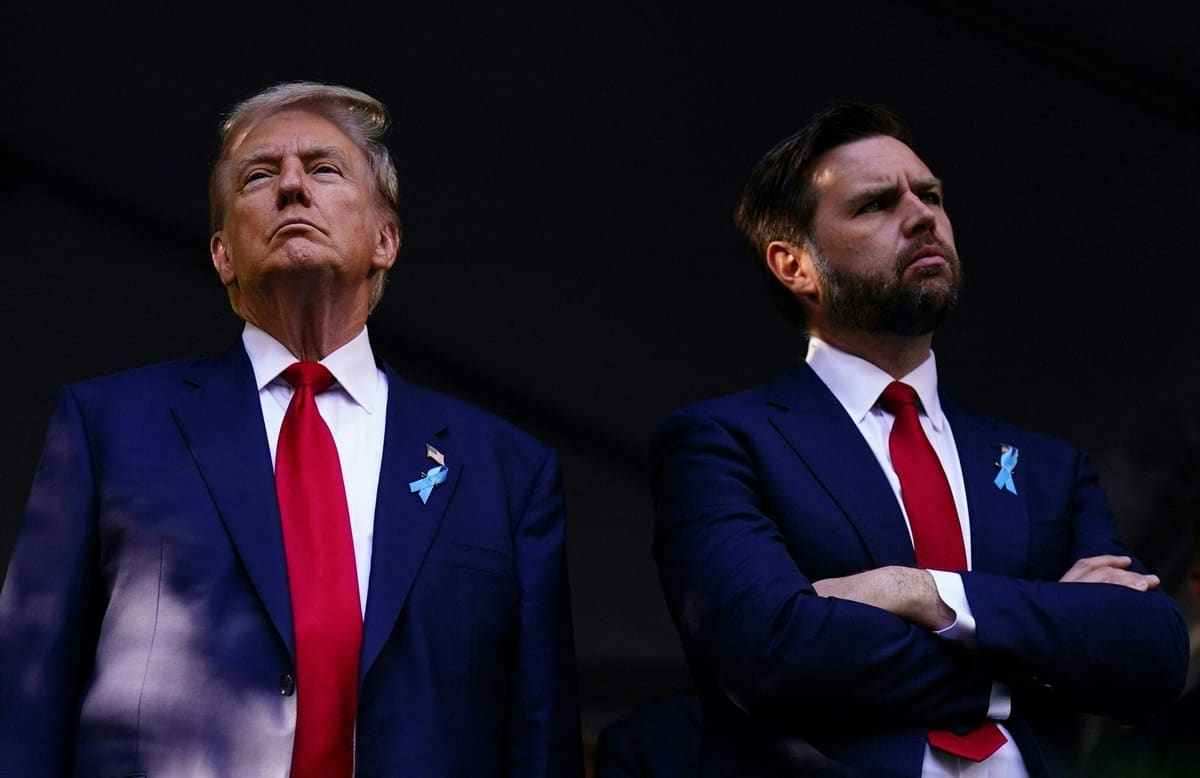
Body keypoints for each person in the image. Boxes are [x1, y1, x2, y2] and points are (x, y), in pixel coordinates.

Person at [0, 82, 582, 777]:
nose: (292, 187)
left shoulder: (506, 469)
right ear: (222, 254)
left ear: (386, 240)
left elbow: (540, 733)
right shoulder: (108, 428)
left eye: (324, 169)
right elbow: (24, 701)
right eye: (259, 176)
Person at [649, 101, 1188, 777]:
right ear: (794, 266)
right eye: (876, 204)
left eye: (930, 195)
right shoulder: (721, 443)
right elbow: (769, 652)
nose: (922, 216)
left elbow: (1153, 652)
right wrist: (1044, 649)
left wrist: (917, 591)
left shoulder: (1048, 468)